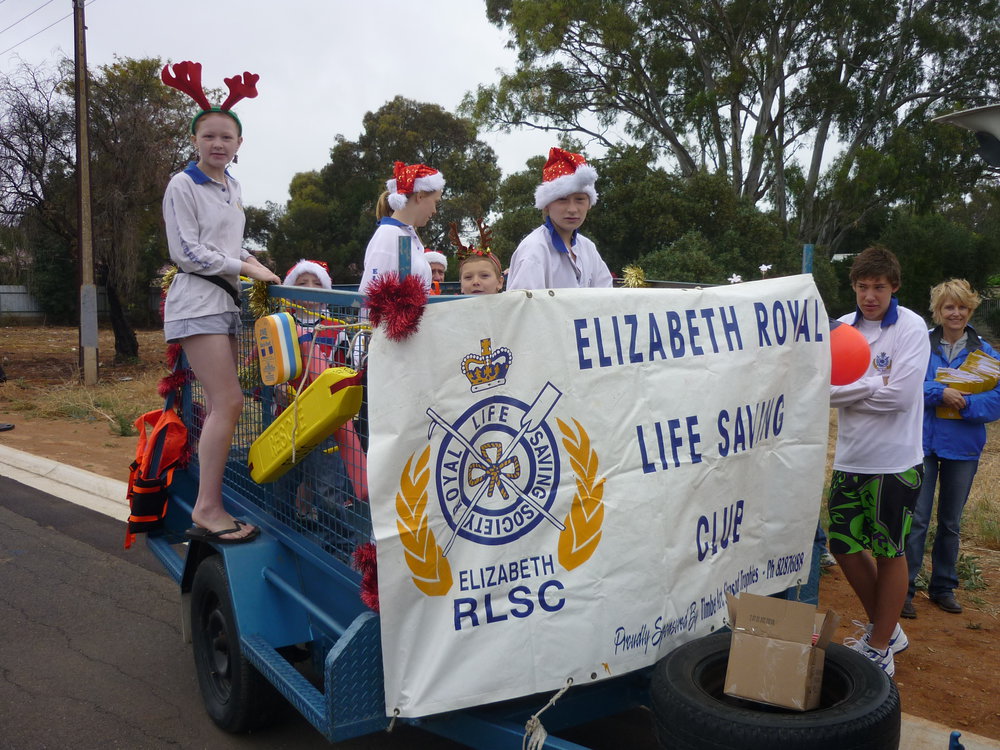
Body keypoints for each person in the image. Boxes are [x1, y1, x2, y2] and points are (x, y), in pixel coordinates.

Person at [161, 61, 281, 544]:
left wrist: (253, 261)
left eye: (226, 137)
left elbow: (227, 245)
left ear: (238, 144)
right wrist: (247, 270)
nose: (217, 143)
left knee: (221, 404)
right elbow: (186, 252)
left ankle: (212, 501)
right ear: (195, 140)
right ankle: (208, 508)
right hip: (197, 303)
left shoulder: (233, 187)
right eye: (209, 136)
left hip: (225, 304)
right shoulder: (182, 184)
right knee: (229, 401)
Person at [827, 245, 929, 676]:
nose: (870, 296)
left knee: (889, 552)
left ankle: (880, 645)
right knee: (843, 545)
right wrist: (874, 383)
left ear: (895, 287)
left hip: (895, 462)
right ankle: (887, 628)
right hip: (851, 457)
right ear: (853, 286)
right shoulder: (841, 328)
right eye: (863, 286)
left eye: (879, 288)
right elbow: (823, 391)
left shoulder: (911, 327)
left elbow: (901, 397)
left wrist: (852, 391)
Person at [902, 279, 1000, 618]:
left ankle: (943, 587)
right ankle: (904, 589)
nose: (955, 313)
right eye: (948, 307)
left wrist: (967, 404)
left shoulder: (986, 353)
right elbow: (905, 383)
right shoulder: (920, 344)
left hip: (963, 446)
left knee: (950, 522)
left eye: (961, 307)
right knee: (917, 519)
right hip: (923, 443)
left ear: (970, 310)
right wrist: (939, 393)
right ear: (938, 311)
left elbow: (997, 399)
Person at [506, 147, 613, 291]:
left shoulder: (588, 248)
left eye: (580, 199)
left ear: (589, 204)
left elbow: (607, 296)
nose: (572, 209)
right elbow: (524, 302)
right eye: (562, 199)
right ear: (546, 205)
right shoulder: (534, 249)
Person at [358, 161, 445, 294]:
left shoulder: (404, 236)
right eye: (435, 202)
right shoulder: (388, 234)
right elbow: (371, 295)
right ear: (420, 196)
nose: (434, 210)